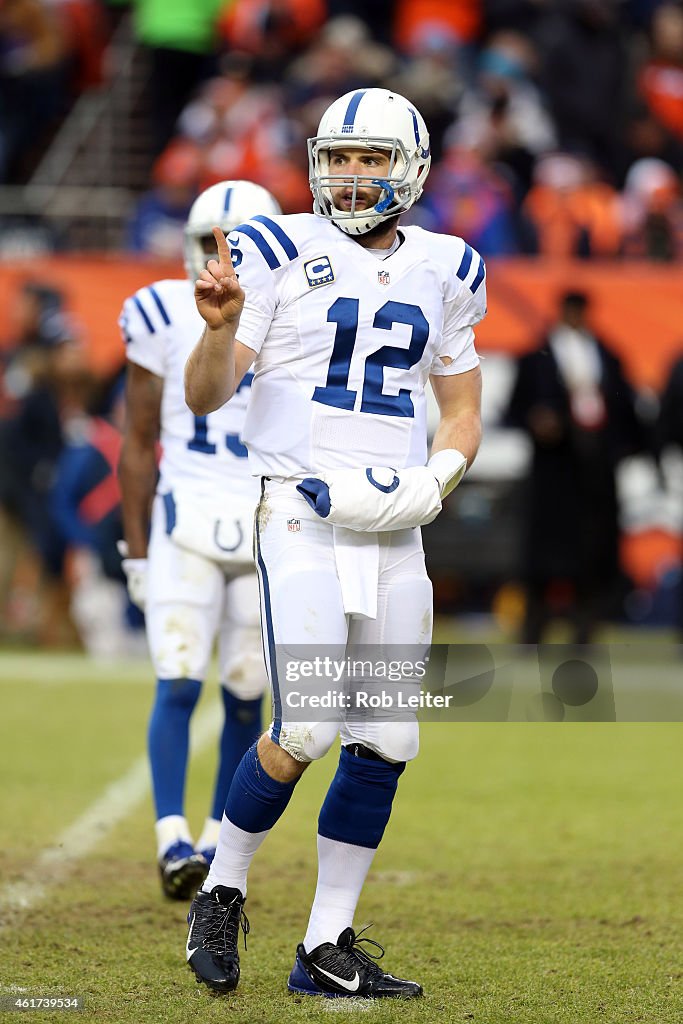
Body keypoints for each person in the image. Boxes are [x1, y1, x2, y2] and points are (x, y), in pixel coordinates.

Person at [183, 88, 486, 999]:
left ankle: (325, 946)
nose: (351, 177)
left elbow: (462, 411)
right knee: (307, 724)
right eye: (339, 158)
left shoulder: (450, 265)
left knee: (388, 737)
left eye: (371, 159)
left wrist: (436, 479)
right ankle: (223, 885)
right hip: (303, 514)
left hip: (393, 527)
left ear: (412, 166)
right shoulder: (275, 246)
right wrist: (222, 327)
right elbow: (206, 397)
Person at [117, 180, 281, 900]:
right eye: (206, 243)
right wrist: (135, 549)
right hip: (184, 514)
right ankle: (170, 837)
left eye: (235, 244)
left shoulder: (294, 314)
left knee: (246, 690)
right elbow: (137, 436)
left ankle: (216, 839)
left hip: (263, 519)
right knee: (178, 678)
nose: (217, 258)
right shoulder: (158, 310)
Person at [505, 289, 643, 645]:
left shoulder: (606, 355)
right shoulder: (537, 357)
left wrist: (622, 447)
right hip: (553, 469)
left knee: (592, 550)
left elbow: (625, 410)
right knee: (544, 552)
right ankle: (534, 627)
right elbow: (516, 409)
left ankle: (586, 626)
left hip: (594, 469)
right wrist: (539, 421)